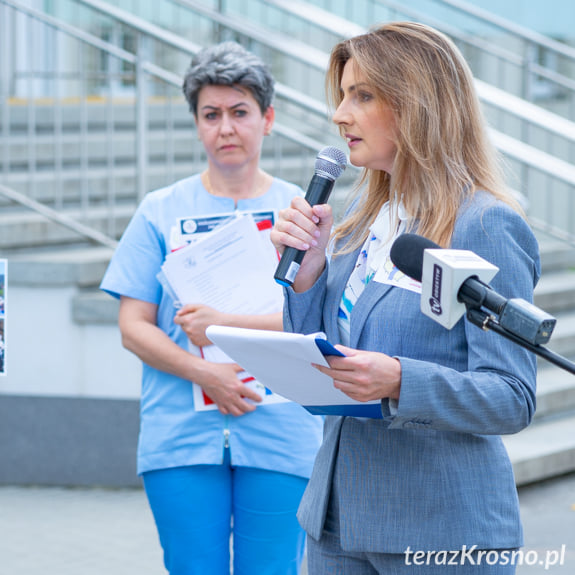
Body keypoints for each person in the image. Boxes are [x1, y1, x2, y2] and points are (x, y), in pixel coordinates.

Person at [270, 22, 540, 574]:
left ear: (418, 106)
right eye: (343, 95)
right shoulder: (357, 224)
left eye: (362, 96)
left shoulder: (485, 224)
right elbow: (323, 358)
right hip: (336, 522)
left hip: (440, 528)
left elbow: (512, 396)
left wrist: (399, 379)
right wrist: (308, 274)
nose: (340, 115)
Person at [100, 41, 324, 574]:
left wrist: (222, 325)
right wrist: (207, 373)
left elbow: (316, 319)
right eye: (211, 114)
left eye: (240, 112)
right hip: (181, 435)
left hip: (280, 429)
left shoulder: (301, 213)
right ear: (197, 124)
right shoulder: (160, 211)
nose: (226, 127)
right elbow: (133, 327)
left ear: (267, 119)